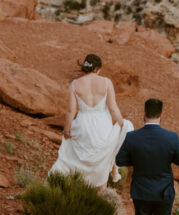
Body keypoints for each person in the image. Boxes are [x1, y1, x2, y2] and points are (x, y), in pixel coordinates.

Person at [49, 53, 133, 188]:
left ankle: (77, 185)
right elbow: (112, 108)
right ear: (98, 68)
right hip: (102, 125)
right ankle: (100, 189)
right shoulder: (106, 82)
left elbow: (71, 110)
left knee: (77, 158)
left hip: (83, 124)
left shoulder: (75, 84)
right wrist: (123, 124)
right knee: (101, 160)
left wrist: (67, 129)